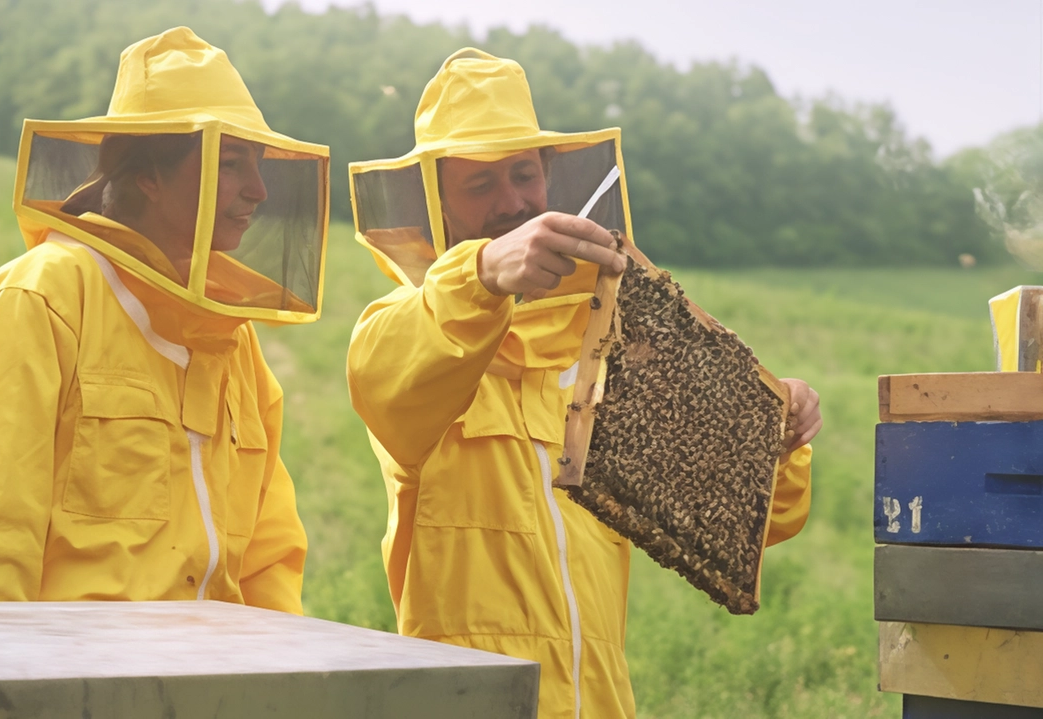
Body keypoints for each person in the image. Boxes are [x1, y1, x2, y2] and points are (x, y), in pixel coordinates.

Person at [346, 48, 820, 718]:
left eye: (523, 175)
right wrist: (481, 272)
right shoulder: (414, 338)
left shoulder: (604, 355)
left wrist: (777, 433)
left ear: (550, 183)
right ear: (436, 206)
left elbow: (761, 517)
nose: (512, 201)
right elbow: (382, 373)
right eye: (480, 185)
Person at [0, 27, 331, 612]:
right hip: (72, 687)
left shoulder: (230, 337)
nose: (258, 189)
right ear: (148, 174)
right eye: (231, 163)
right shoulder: (45, 296)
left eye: (257, 164)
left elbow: (267, 554)